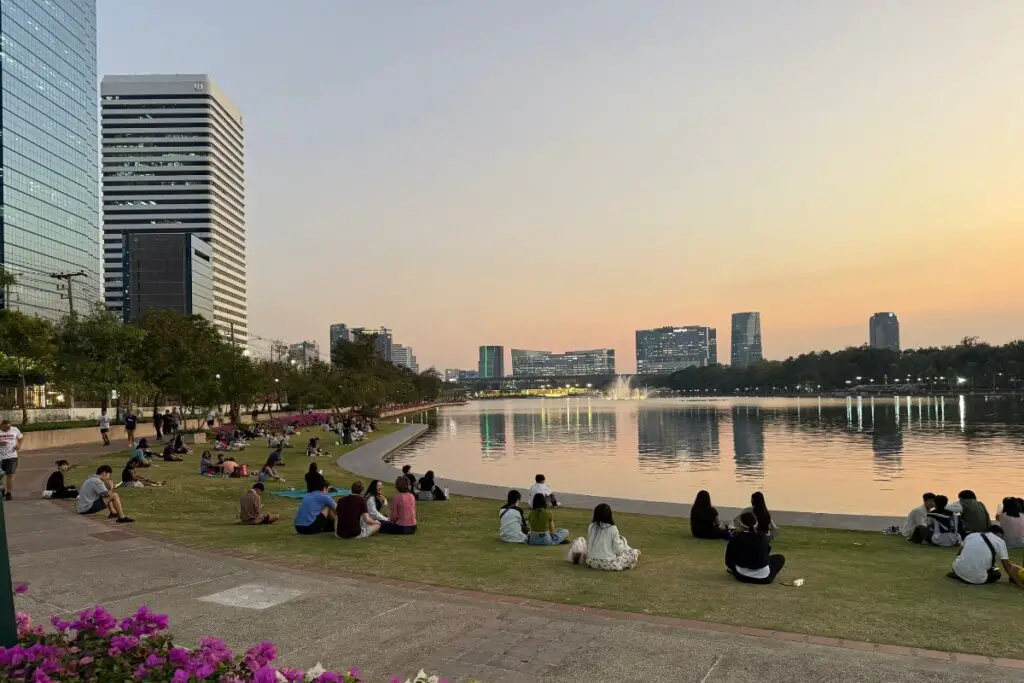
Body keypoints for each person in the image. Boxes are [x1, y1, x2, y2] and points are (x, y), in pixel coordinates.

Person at [949, 525, 1024, 587]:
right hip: (977, 579)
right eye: (1002, 536)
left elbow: (959, 553)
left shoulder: (971, 535)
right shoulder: (1000, 541)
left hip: (956, 569)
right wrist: (1019, 584)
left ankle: (960, 574)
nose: (1002, 538)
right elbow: (1007, 566)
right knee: (997, 574)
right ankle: (969, 575)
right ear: (998, 534)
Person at [726, 512, 785, 584]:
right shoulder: (763, 537)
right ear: (756, 523)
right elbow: (765, 554)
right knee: (780, 558)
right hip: (763, 578)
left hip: (741, 576)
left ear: (740, 524)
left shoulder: (736, 537)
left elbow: (728, 560)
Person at [584, 503, 640, 571]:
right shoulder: (613, 529)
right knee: (631, 553)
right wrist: (623, 543)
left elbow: (589, 545)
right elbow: (618, 550)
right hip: (608, 563)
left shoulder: (591, 526)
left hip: (592, 561)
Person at [0, 419, 24, 501]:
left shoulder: (15, 429)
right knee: (1, 475)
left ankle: (9, 493)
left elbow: (21, 437)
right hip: (0, 456)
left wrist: (19, 446)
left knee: (9, 474)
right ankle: (2, 488)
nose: (8, 429)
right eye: (6, 428)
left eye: (9, 427)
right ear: (1, 425)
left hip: (12, 456)